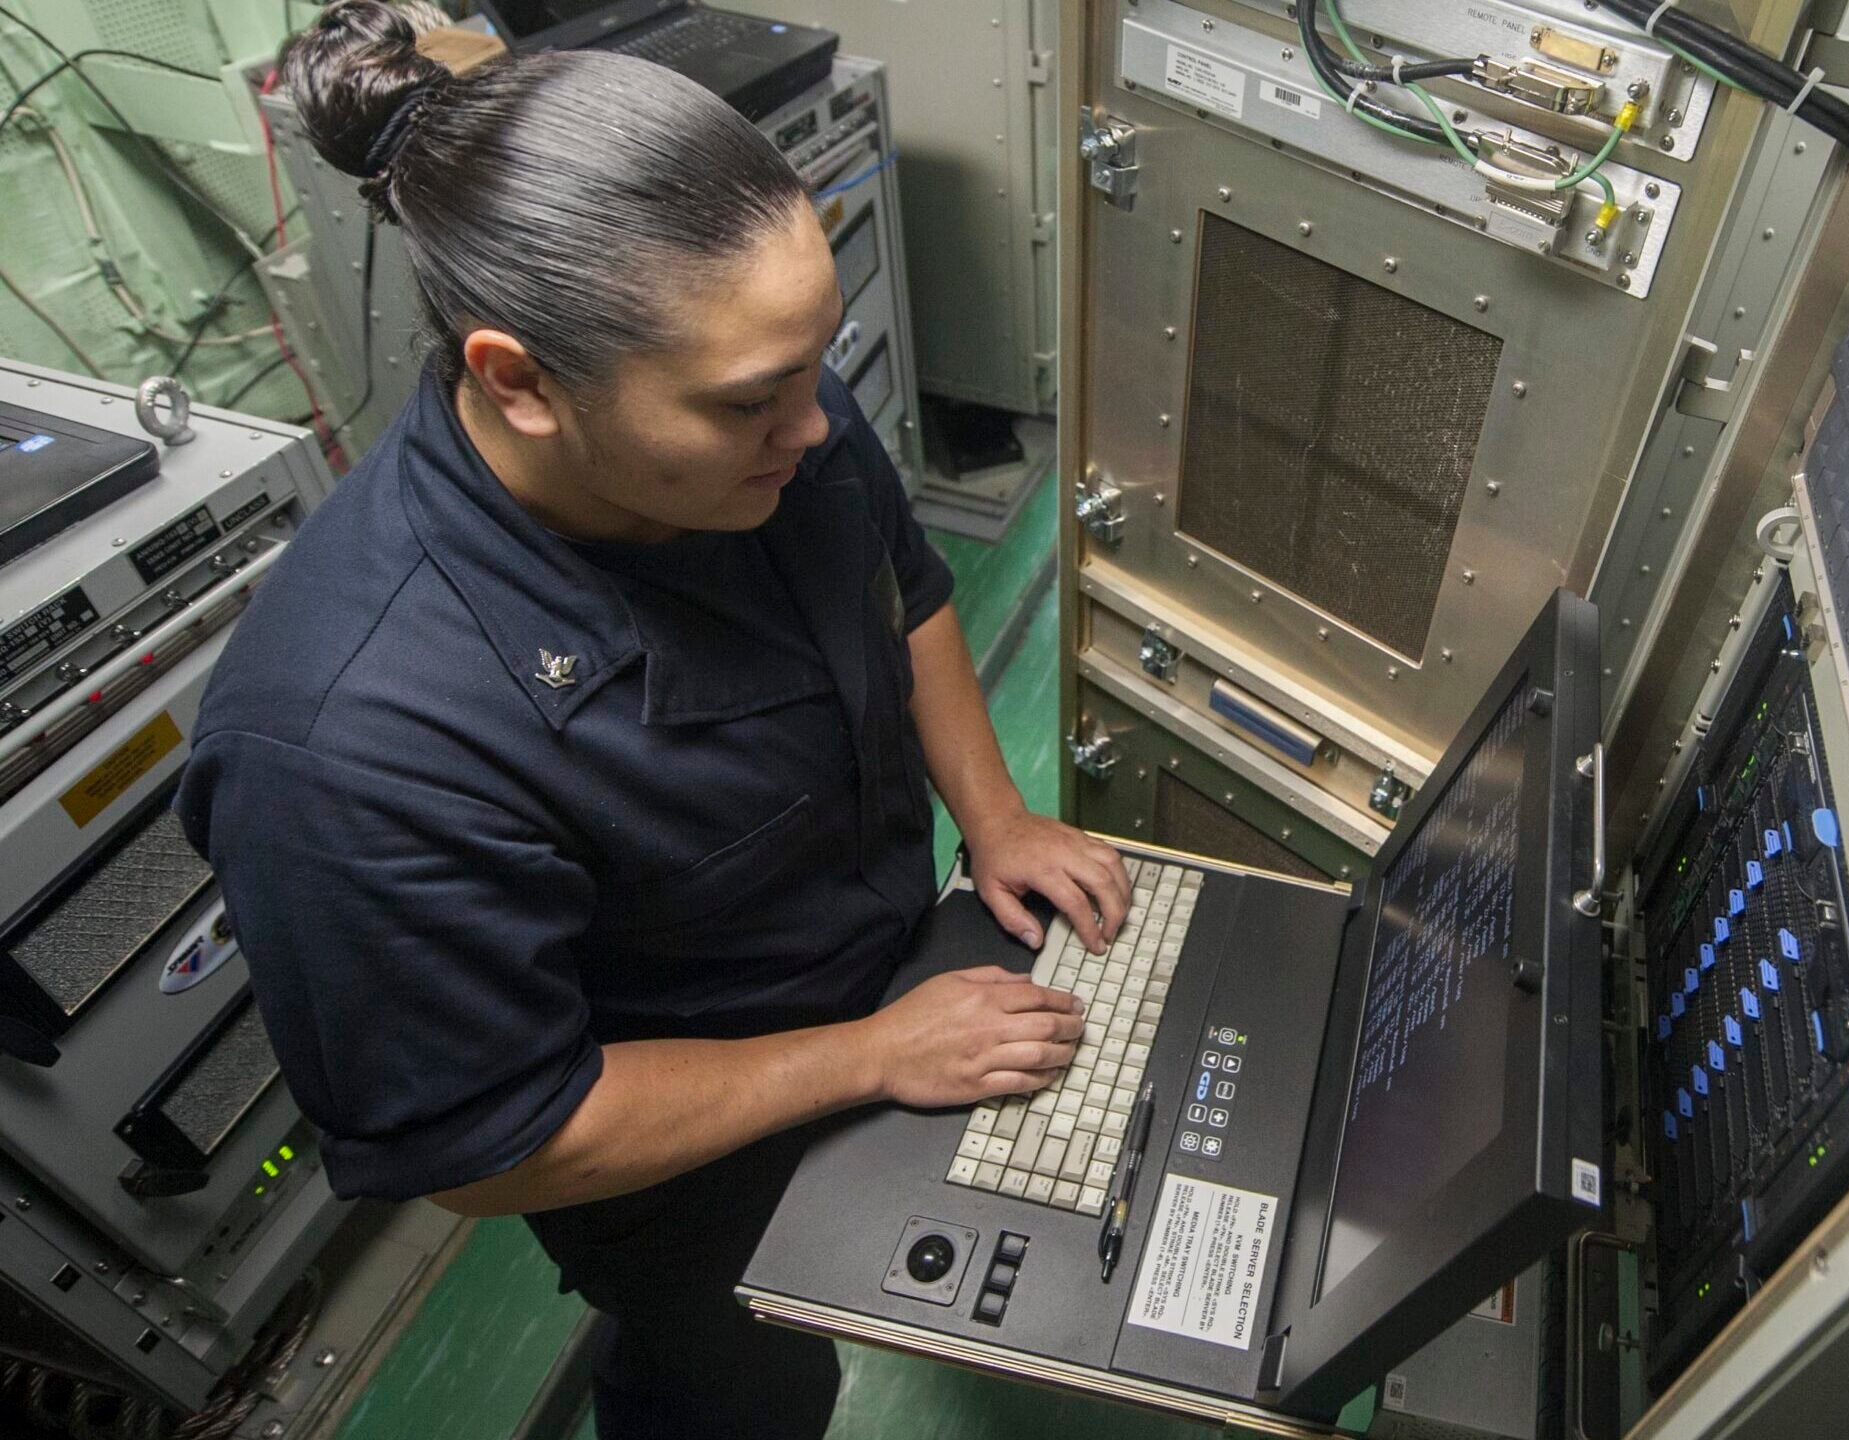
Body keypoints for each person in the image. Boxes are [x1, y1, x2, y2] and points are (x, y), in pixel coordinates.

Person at [174, 5, 1132, 1435]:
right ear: (519, 379)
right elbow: (500, 1139)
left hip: (877, 967)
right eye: (754, 401)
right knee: (739, 1385)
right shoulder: (347, 742)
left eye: (816, 364)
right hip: (675, 1165)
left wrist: (991, 816)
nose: (811, 428)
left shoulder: (758, 409)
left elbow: (903, 583)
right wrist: (870, 1056)